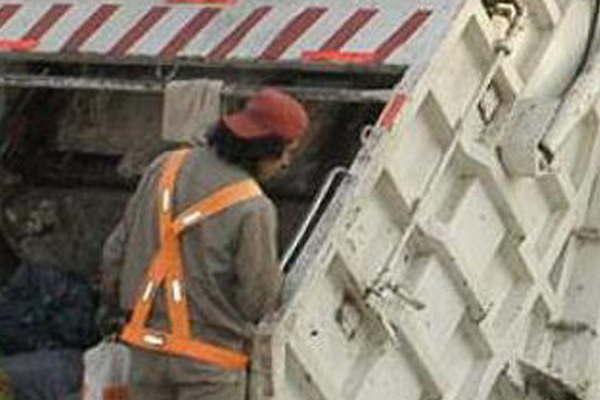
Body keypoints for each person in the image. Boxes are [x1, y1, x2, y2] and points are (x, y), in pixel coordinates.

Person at [100, 88, 309, 400]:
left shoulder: (164, 167)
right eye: (286, 152)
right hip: (210, 370)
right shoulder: (254, 207)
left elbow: (115, 252)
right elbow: (258, 300)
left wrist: (115, 306)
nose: (286, 164)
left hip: (145, 355)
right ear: (265, 150)